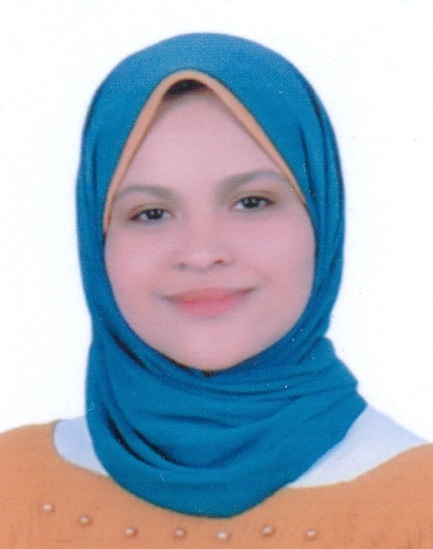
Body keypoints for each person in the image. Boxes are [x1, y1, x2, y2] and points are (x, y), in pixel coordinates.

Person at [1, 32, 432, 548]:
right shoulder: (12, 485)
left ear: (323, 218)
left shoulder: (419, 504)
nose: (201, 253)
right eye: (151, 213)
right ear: (98, 241)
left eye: (251, 202)